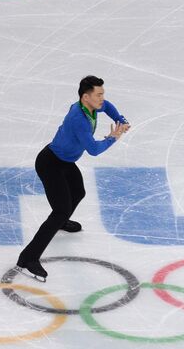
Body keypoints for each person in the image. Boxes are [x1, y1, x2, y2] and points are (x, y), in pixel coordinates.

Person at [16, 76, 130, 281]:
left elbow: (108, 106)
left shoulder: (91, 106)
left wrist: (119, 119)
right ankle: (27, 258)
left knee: (78, 192)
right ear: (86, 97)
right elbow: (94, 149)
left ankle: (61, 222)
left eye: (102, 93)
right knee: (60, 210)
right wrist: (114, 137)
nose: (102, 98)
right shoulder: (79, 118)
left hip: (65, 162)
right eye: (99, 95)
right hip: (50, 164)